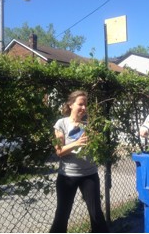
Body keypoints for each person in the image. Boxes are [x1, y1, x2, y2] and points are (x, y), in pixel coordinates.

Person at [50, 90, 109, 233]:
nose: (84, 107)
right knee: (62, 214)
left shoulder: (88, 124)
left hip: (89, 175)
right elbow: (59, 151)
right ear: (70, 105)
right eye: (80, 104)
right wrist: (77, 143)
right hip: (67, 176)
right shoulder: (61, 123)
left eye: (85, 105)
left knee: (96, 215)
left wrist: (97, 142)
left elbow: (96, 148)